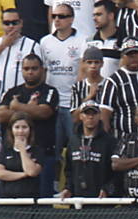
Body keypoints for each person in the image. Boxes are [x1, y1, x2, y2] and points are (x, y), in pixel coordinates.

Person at [0, 54, 58, 197]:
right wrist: (29, 109)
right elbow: (0, 115)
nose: (30, 72)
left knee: (43, 200)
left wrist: (17, 106)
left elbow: (44, 112)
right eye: (26, 69)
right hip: (13, 152)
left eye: (34, 68)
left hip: (42, 153)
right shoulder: (13, 91)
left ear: (42, 70)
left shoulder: (49, 91)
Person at [41, 3, 85, 166]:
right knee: (53, 149)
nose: (57, 20)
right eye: (54, 16)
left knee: (75, 148)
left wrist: (78, 102)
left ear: (72, 19)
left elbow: (81, 73)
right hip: (52, 106)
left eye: (62, 16)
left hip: (71, 105)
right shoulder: (45, 42)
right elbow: (44, 73)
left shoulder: (82, 40)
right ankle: (54, 186)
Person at [62, 100, 115, 198]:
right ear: (81, 116)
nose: (90, 117)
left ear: (99, 116)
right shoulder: (73, 141)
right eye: (87, 113)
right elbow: (68, 170)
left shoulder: (109, 141)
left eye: (94, 113)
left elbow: (115, 172)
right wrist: (68, 188)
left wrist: (108, 189)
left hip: (101, 199)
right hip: (77, 199)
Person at [0, 7, 41, 96]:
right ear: (2, 24)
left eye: (14, 23)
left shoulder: (33, 45)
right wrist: (3, 45)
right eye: (7, 23)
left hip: (22, 97)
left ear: (21, 23)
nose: (11, 26)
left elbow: (40, 74)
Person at [0, 112, 43, 198]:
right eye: (17, 127)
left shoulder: (37, 150)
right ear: (11, 130)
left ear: (30, 129)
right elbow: (0, 174)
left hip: (29, 199)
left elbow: (32, 172)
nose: (21, 131)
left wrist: (22, 150)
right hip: (7, 199)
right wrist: (24, 174)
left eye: (24, 127)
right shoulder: (6, 150)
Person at [69, 46, 104, 122]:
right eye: (89, 62)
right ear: (84, 64)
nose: (93, 66)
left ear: (102, 64)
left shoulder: (109, 84)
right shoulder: (77, 87)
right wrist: (89, 97)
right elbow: (74, 117)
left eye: (96, 62)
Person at [89, 0, 121, 78]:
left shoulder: (123, 40)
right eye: (93, 15)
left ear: (111, 16)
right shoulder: (89, 41)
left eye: (98, 15)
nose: (94, 18)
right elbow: (82, 71)